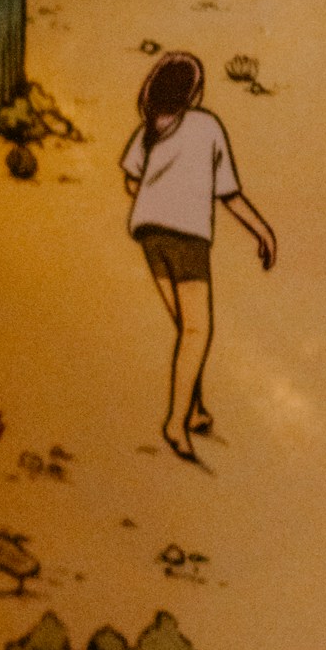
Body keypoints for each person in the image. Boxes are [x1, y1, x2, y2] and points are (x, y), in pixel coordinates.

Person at [121, 51, 274, 459]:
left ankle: (196, 410)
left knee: (187, 328)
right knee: (196, 331)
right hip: (187, 237)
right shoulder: (206, 126)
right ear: (194, 93)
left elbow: (131, 182)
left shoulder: (150, 128)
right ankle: (175, 423)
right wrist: (262, 230)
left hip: (149, 235)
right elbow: (229, 194)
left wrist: (158, 196)